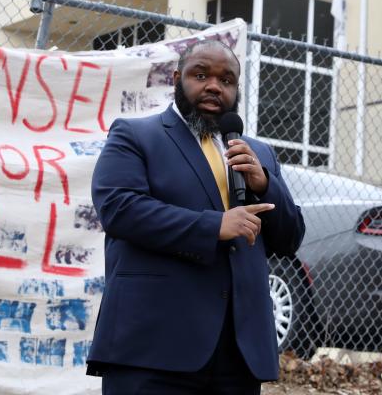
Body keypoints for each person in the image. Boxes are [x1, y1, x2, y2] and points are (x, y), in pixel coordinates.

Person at [86, 39, 306, 394]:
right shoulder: (136, 135)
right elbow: (119, 209)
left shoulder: (258, 153)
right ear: (177, 78)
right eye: (200, 75)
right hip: (153, 346)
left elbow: (290, 237)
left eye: (226, 80)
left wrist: (264, 184)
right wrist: (215, 225)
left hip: (238, 352)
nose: (214, 86)